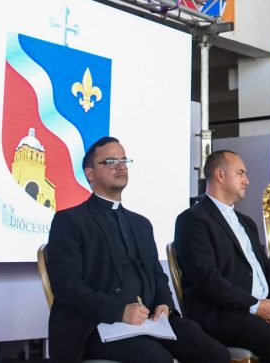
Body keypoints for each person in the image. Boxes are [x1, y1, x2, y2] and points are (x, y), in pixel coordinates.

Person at [45, 137, 229, 363]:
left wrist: (164, 304)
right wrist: (119, 311)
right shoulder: (70, 220)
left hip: (150, 320)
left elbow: (157, 275)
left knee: (215, 354)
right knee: (157, 359)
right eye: (111, 161)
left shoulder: (141, 223)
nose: (121, 166)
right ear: (90, 173)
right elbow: (66, 286)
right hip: (97, 324)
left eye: (124, 160)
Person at [173, 150, 270, 363]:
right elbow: (206, 278)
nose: (247, 180)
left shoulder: (246, 221)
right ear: (220, 175)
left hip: (263, 306)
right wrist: (255, 306)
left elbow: (268, 268)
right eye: (241, 173)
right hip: (221, 312)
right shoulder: (192, 219)